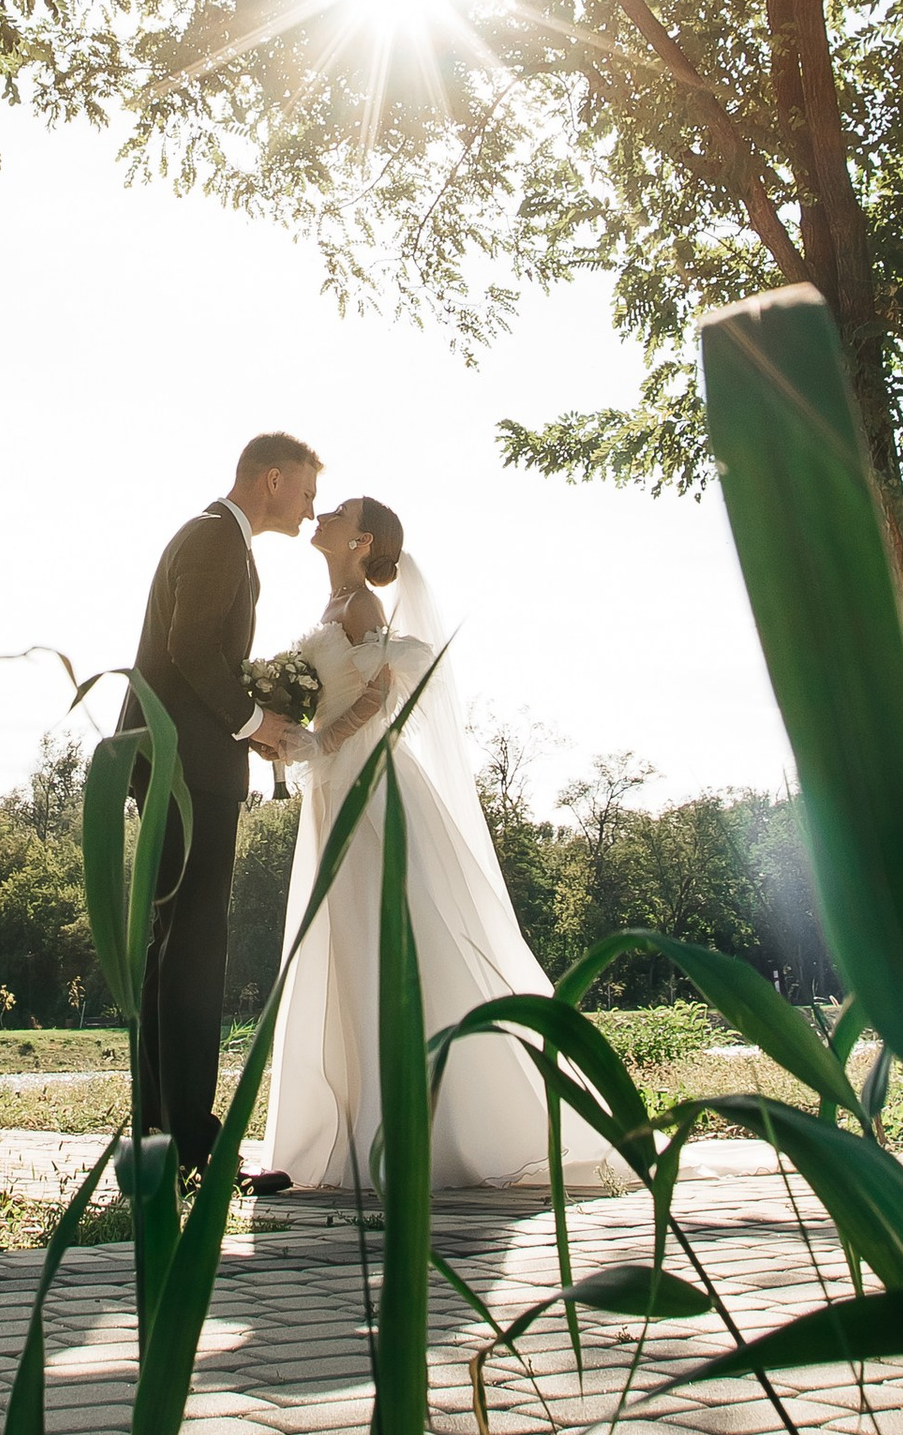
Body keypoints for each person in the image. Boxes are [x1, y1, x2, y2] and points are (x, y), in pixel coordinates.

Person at [253, 494, 638, 1195]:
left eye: (336, 512)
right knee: (342, 940)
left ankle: (418, 1123)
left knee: (385, 932)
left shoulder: (364, 608)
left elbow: (378, 697)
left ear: (362, 541)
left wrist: (321, 740)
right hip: (333, 784)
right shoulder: (331, 609)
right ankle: (341, 1129)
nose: (323, 517)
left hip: (368, 780)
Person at [121, 430, 320, 1173]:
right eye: (305, 491)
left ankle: (159, 1136)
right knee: (195, 946)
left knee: (176, 947)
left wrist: (252, 727)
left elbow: (202, 657)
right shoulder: (212, 538)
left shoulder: (219, 541)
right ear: (272, 479)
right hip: (183, 766)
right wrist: (254, 722)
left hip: (187, 759)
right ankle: (189, 1144)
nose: (310, 508)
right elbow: (189, 648)